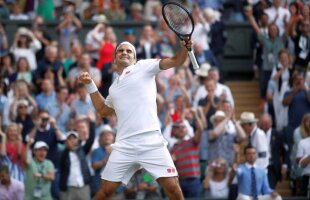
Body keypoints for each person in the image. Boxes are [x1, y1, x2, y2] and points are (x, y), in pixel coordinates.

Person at [78, 37, 193, 199]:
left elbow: (176, 60)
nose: (124, 52)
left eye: (129, 50)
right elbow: (103, 110)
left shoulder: (145, 66)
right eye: (120, 50)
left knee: (173, 189)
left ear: (135, 58)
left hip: (151, 142)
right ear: (115, 58)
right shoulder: (114, 88)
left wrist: (184, 49)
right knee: (104, 192)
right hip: (124, 145)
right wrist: (90, 84)